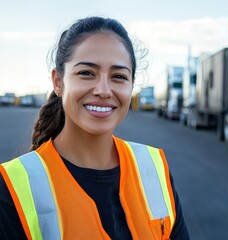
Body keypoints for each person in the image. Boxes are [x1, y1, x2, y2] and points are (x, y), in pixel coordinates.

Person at [0, 16, 190, 239]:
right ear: (58, 82)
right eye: (87, 73)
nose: (103, 90)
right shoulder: (10, 187)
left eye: (118, 76)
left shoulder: (155, 168)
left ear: (131, 85)